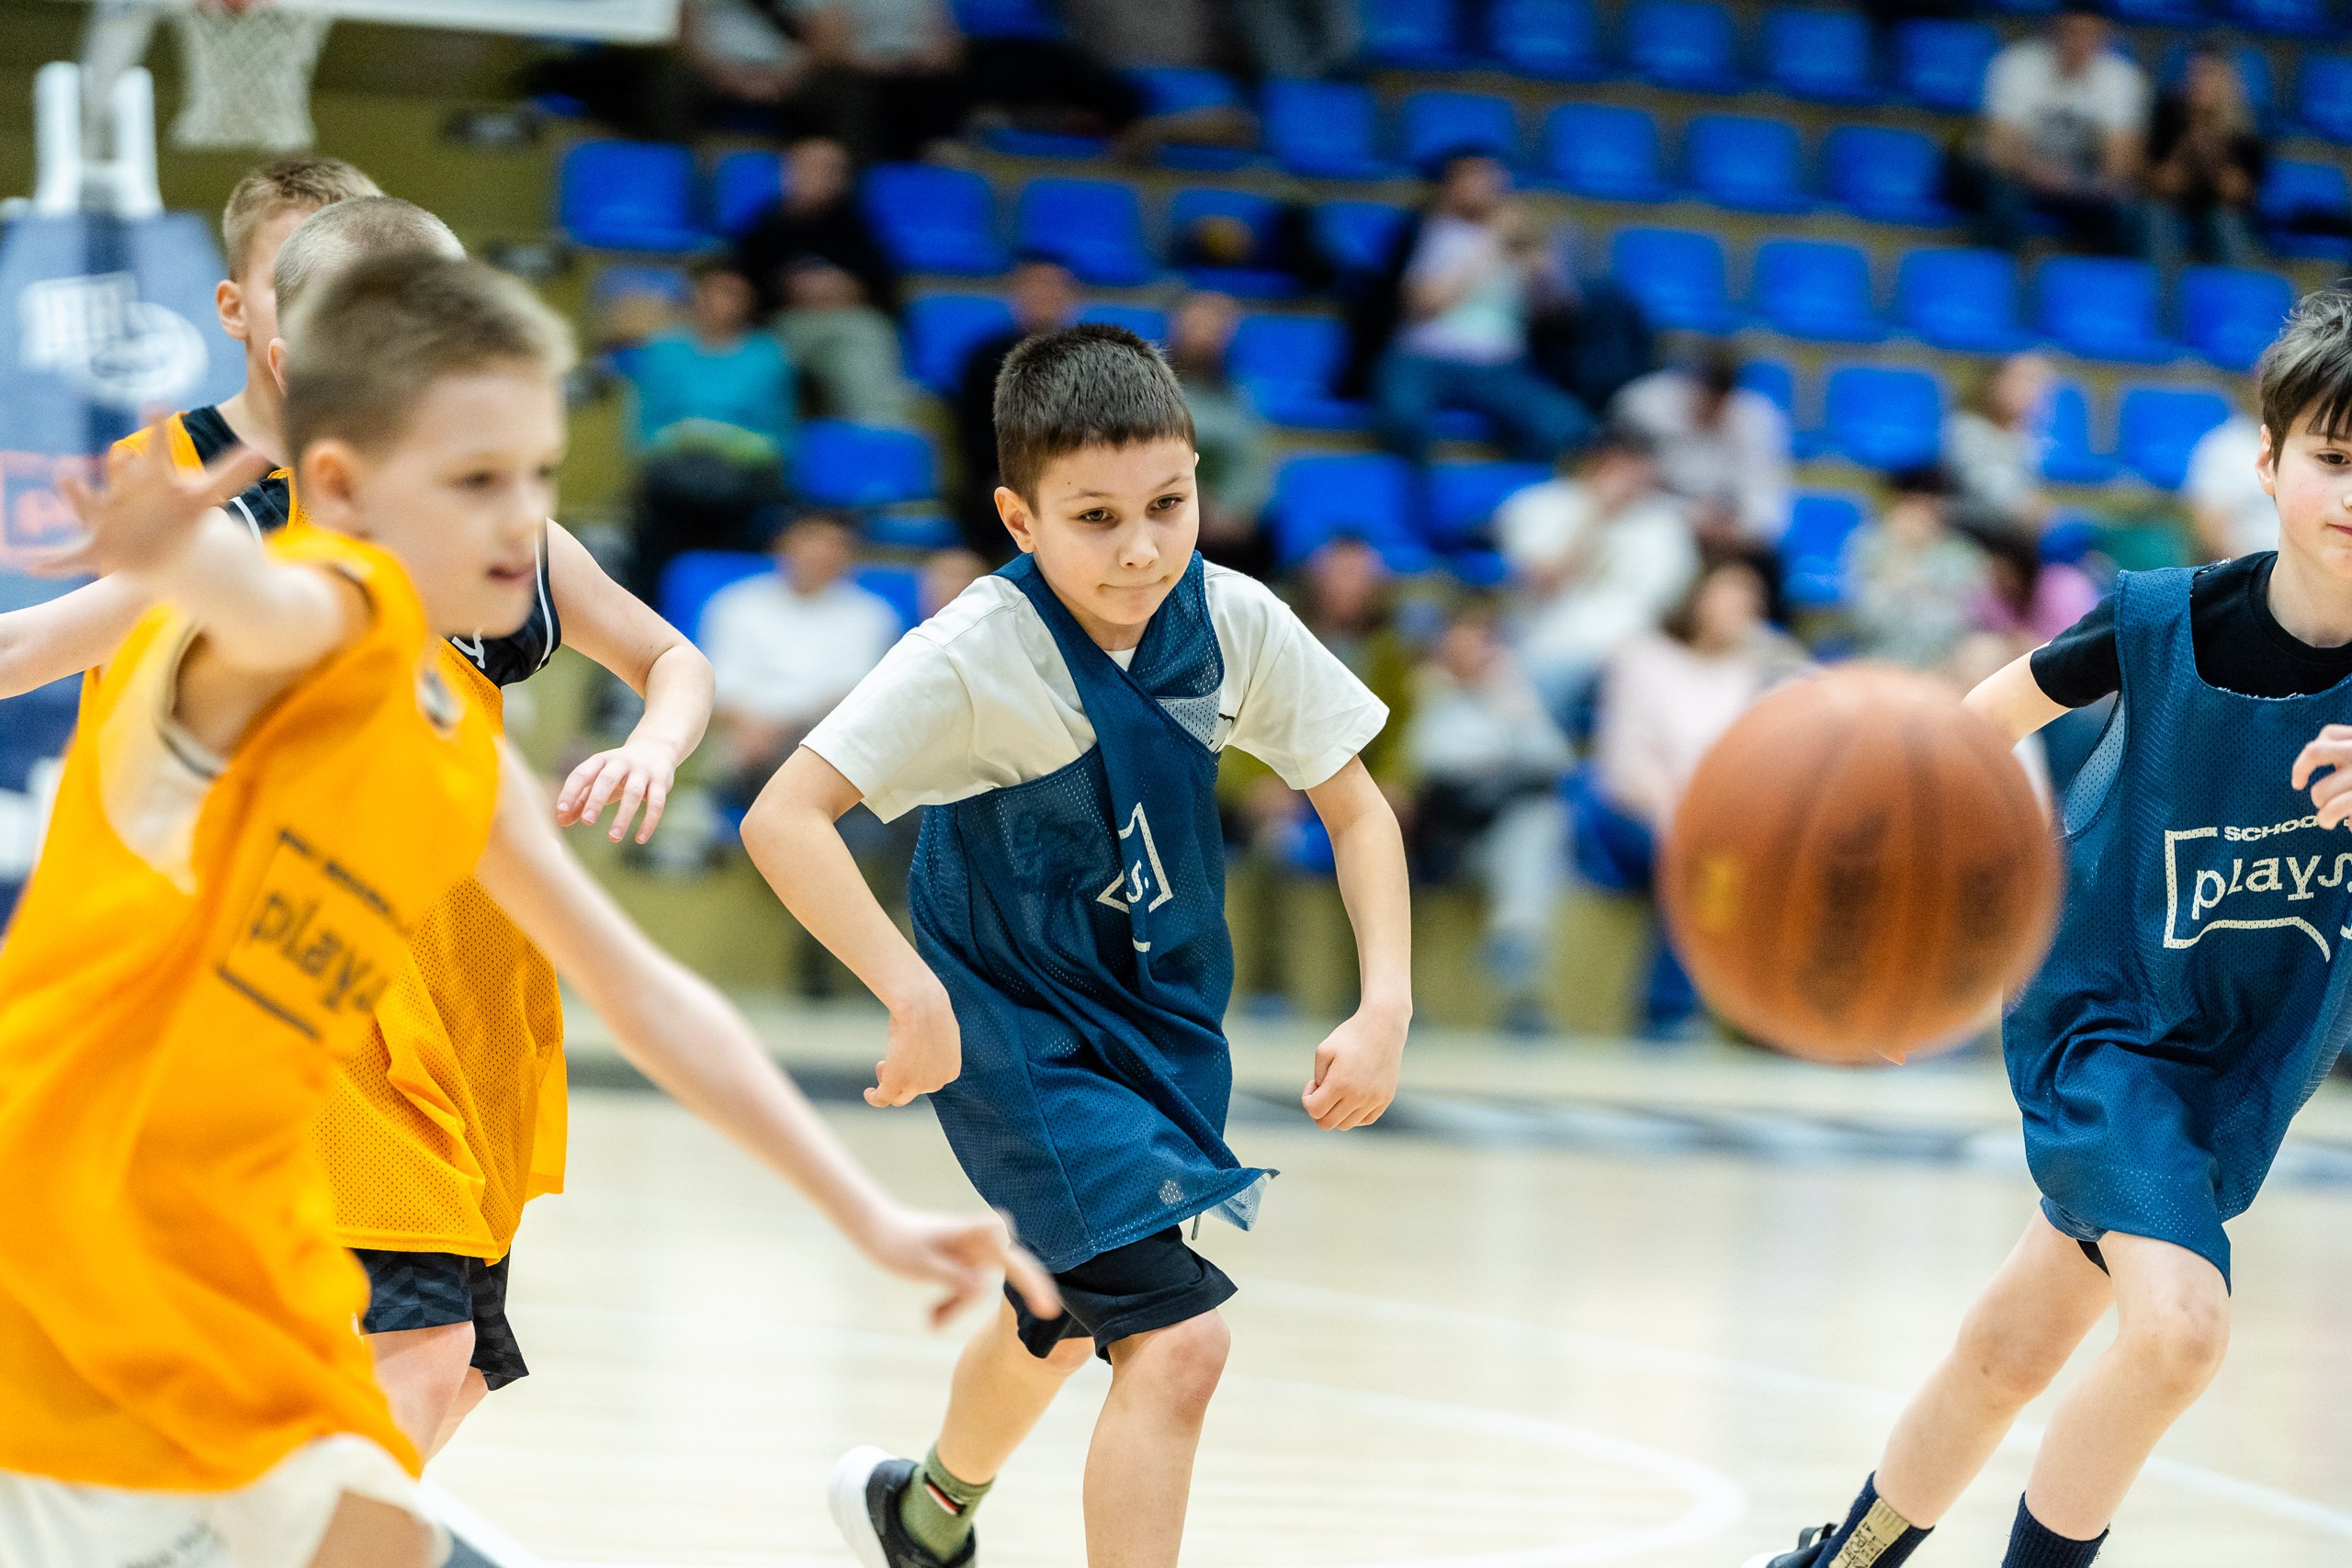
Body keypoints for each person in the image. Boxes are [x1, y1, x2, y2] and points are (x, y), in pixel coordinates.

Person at [0, 252, 1053, 1568]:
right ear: (338, 486)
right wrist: (172, 555)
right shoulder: (319, 610)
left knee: (396, 1515)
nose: (522, 524)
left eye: (540, 480)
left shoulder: (449, 735)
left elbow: (646, 994)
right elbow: (260, 601)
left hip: (241, 1280)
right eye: (475, 481)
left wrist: (868, 1212)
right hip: (72, 1249)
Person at [0, 193, 722, 1465]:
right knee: (415, 1341)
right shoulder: (241, 534)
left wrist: (655, 739)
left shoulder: (494, 538)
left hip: (472, 973)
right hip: (312, 976)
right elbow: (39, 642)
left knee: (454, 1360)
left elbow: (669, 656)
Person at [741, 323, 1411, 1568]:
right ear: (1018, 516)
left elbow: (1356, 805)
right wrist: (909, 989)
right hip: (1012, 1025)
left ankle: (924, 1511)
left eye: (1168, 501)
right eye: (1095, 517)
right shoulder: (973, 654)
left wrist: (1387, 1006)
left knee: (1061, 1301)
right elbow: (784, 816)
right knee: (1180, 1336)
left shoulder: (1232, 621)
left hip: (1153, 1014)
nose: (1143, 545)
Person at [1747, 286, 2352, 1568]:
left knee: (2012, 1345)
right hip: (2112, 1023)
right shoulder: (2159, 619)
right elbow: (1961, 745)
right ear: (2268, 459)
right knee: (2179, 1327)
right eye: (2335, 458)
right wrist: (1901, 952)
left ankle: (1841, 1559)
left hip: (2246, 1063)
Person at [1590, 548, 1806, 1036]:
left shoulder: (1757, 667)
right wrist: (1682, 816)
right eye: (1732, 597)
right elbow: (1625, 765)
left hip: (1723, 824)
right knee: (1695, 856)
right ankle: (1667, 1012)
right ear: (1698, 598)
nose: (1743, 610)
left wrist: (1779, 655)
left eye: (1753, 603)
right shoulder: (1643, 658)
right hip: (1633, 813)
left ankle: (1771, 1018)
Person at [1404, 603, 1574, 1034]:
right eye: (1460, 645)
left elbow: (1555, 762)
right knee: (1532, 832)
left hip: (1505, 826)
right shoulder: (1426, 692)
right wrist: (1504, 768)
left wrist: (1509, 705)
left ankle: (1515, 942)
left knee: (1538, 825)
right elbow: (1432, 766)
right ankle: (1518, 944)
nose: (1472, 655)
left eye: (1482, 645)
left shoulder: (1510, 694)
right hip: (1450, 832)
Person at [1368, 152, 1592, 468]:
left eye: (1493, 178)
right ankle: (1418, 506)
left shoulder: (1525, 239)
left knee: (1566, 425)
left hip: (1500, 367)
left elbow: (1560, 317)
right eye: (1475, 178)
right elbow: (1419, 307)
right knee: (1402, 415)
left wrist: (1542, 267)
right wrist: (1487, 248)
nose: (1488, 186)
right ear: (1449, 186)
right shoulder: (1424, 230)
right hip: (1423, 359)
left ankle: (1512, 500)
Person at [1496, 425, 1698, 727]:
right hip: (1554, 648)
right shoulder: (1538, 506)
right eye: (1623, 467)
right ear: (1595, 463)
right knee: (1529, 687)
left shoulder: (1665, 525)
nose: (1634, 480)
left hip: (1635, 656)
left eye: (1641, 471)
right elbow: (1542, 585)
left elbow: (1677, 611)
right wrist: (1593, 514)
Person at [622, 255, 796, 602]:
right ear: (694, 295)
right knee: (653, 533)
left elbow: (779, 440)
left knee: (747, 524)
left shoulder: (768, 355)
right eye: (714, 292)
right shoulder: (664, 351)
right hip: (671, 486)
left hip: (740, 487)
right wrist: (685, 437)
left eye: (733, 293)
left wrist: (715, 437)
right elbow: (645, 434)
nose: (722, 303)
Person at [703, 511, 903, 807]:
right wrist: (751, 727)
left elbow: (856, 695)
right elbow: (717, 684)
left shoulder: (873, 615)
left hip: (826, 736)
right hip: (743, 736)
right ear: (783, 545)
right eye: (810, 541)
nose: (819, 554)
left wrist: (783, 730)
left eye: (834, 545)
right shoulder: (735, 604)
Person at [733, 135, 915, 426]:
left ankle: (876, 447)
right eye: (813, 167)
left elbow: (888, 292)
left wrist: (852, 289)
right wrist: (787, 289)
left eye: (834, 169)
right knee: (751, 357)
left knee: (868, 341)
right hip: (776, 328)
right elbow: (737, 290)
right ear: (787, 172)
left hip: (846, 327)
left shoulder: (860, 228)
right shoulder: (761, 228)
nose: (824, 176)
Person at [1966, 4, 2149, 257]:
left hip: (2082, 185)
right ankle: (1998, 279)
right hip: (2019, 176)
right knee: (2000, 193)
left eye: (2089, 34)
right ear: (2053, 30)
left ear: (2105, 36)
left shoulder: (2123, 79)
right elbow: (2001, 148)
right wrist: (2042, 174)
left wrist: (2075, 182)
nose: (2078, 42)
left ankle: (2104, 292)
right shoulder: (2015, 65)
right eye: (2072, 32)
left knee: (2128, 210)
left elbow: (2120, 164)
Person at [953, 257, 1079, 558]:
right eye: (1034, 287)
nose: (1044, 296)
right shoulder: (985, 359)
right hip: (1002, 481)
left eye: (1053, 288)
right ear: (1015, 295)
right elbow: (974, 432)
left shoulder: (1096, 361)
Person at [1610, 345, 1792, 545]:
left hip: (1724, 541)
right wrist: (1689, 516)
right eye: (1700, 398)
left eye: (1716, 403)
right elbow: (1615, 482)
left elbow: (1770, 517)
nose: (1707, 409)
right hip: (1651, 525)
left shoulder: (1757, 420)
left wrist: (1734, 530)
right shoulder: (1644, 404)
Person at [1168, 292, 1274, 579]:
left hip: (1223, 535)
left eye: (1216, 328)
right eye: (1197, 324)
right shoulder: (1144, 390)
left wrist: (1230, 514)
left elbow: (1253, 469)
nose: (1205, 337)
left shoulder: (1241, 401)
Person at [1844, 467, 1993, 671]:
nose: (1921, 515)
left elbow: (1970, 617)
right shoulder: (1869, 545)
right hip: (1881, 657)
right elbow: (1864, 618)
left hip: (1945, 661)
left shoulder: (1962, 553)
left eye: (1929, 507)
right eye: (1914, 505)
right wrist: (1902, 559)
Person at [2143, 43, 2266, 283]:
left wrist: (2209, 143)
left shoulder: (2246, 130)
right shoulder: (2166, 116)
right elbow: (2162, 183)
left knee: (2225, 224)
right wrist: (2190, 134)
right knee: (2155, 218)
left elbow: (2235, 192)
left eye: (2210, 75)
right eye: (2196, 74)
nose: (2200, 83)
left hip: (2221, 211)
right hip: (2169, 206)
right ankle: (2164, 304)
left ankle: (2236, 305)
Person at [1946, 353, 2059, 543]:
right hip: (1966, 539)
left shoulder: (2025, 439)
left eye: (2041, 384)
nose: (2035, 392)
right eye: (2026, 380)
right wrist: (2032, 509)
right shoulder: (1965, 430)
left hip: (2009, 540)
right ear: (1996, 382)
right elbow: (1996, 493)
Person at [2185, 403, 2276, 559]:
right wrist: (2253, 572)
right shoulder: (2224, 445)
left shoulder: (2310, 443)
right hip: (2248, 567)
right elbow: (2210, 527)